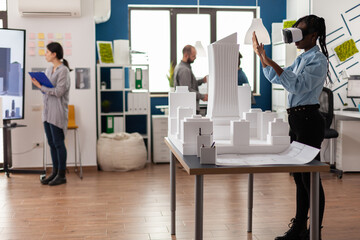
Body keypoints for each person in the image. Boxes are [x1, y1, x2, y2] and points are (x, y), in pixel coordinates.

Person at [252, 15, 328, 240]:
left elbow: (296, 84)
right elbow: (278, 78)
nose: (295, 38)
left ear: (313, 36)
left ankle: (314, 231)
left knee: (310, 178)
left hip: (308, 122)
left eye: (300, 33)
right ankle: (299, 228)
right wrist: (262, 58)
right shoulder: (303, 57)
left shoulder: (318, 60)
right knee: (299, 176)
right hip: (296, 121)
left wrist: (270, 60)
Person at [31, 42, 71, 186]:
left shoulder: (63, 71)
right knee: (51, 143)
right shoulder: (48, 70)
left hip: (57, 113)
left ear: (54, 54)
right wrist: (41, 86)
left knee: (59, 144)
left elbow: (59, 92)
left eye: (47, 52)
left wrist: (41, 86)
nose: (45, 54)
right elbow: (47, 90)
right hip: (47, 113)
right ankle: (54, 173)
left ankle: (61, 175)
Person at [174, 45, 208, 114]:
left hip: (188, 107)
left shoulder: (182, 67)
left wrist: (202, 81)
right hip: (189, 108)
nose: (195, 58)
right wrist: (202, 96)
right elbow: (187, 90)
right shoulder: (184, 70)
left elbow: (190, 83)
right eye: (193, 56)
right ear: (186, 55)